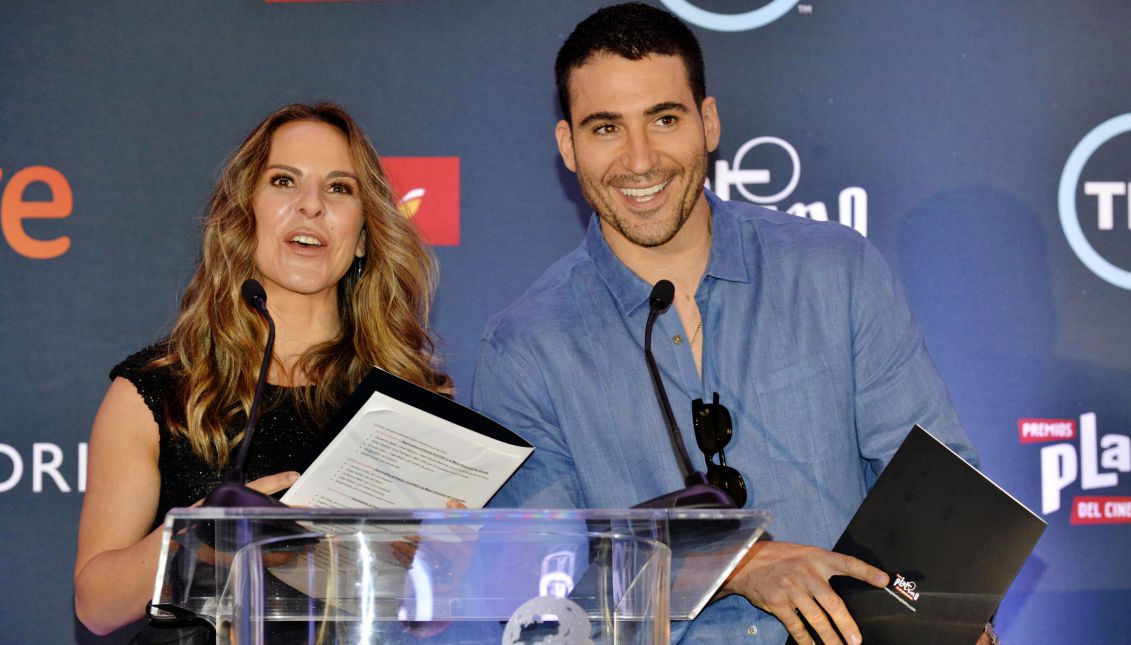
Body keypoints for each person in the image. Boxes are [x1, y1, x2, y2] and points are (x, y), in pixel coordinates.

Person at [472, 4, 991, 644]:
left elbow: (937, 491)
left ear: (708, 123)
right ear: (568, 146)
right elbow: (541, 598)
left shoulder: (836, 271)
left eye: (664, 119)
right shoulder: (526, 345)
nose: (640, 160)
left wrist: (945, 623)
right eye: (606, 128)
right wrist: (727, 562)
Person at [73, 102, 451, 636]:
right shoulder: (157, 390)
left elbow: (427, 622)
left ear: (364, 234)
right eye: (284, 181)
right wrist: (198, 535)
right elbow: (96, 604)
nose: (312, 207)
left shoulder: (410, 398)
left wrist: (445, 560)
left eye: (339, 189)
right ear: (244, 213)